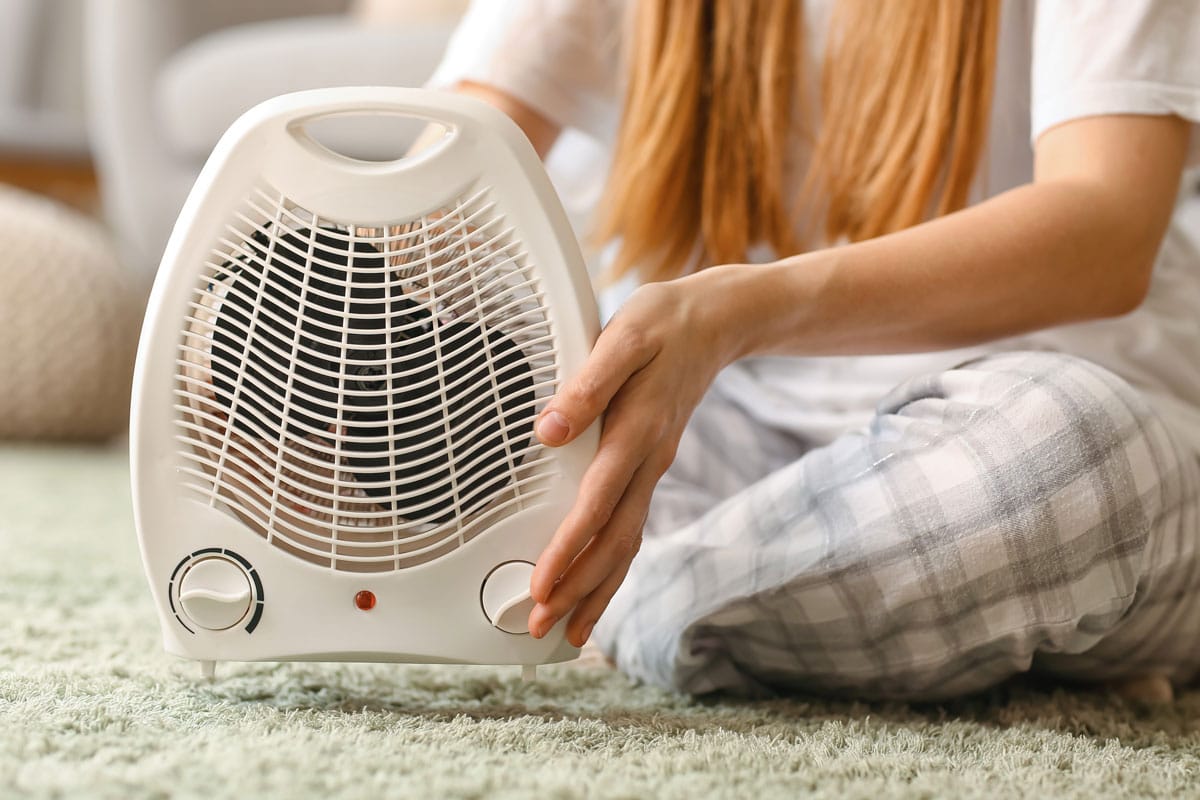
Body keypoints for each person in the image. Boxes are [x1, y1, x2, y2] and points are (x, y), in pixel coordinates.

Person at [400, 0, 1200, 701]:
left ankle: (627, 608)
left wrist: (735, 310)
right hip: (732, 451)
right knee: (555, 435)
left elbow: (1106, 230)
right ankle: (780, 613)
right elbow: (449, 177)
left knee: (1068, 456)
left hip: (1029, 430)